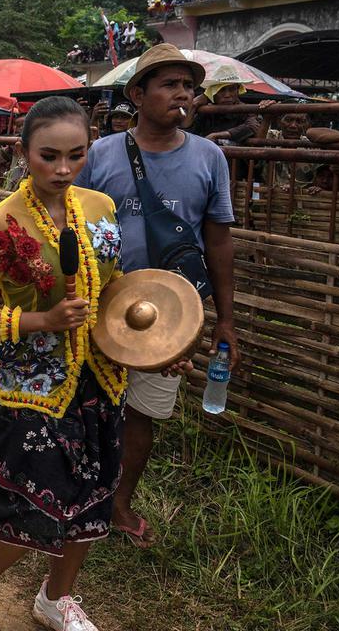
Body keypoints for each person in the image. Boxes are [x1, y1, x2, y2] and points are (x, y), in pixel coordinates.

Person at [0, 96, 172, 631]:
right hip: (33, 386)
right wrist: (40, 322)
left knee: (92, 498)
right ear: (22, 152)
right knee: (29, 501)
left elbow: (115, 289)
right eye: (49, 156)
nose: (63, 169)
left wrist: (155, 343)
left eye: (76, 154)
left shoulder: (100, 208)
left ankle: (56, 597)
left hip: (102, 378)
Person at [74, 44, 238, 548]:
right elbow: (68, 224)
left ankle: (119, 504)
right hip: (98, 303)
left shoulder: (209, 157)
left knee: (143, 410)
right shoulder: (100, 154)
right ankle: (73, 495)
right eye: (169, 84)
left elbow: (218, 239)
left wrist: (225, 319)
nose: (182, 94)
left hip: (168, 310)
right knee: (81, 402)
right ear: (137, 95)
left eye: (189, 86)